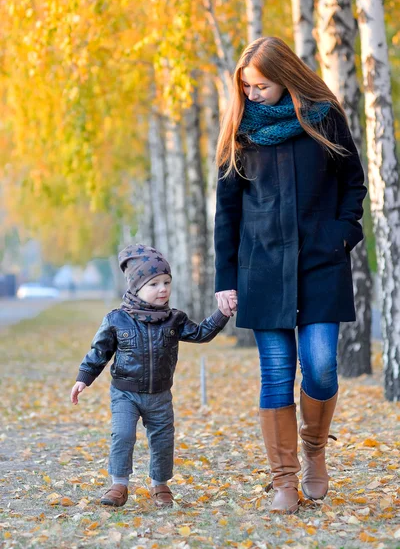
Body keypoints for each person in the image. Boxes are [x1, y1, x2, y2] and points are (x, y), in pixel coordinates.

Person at [214, 37, 367, 514]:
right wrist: (226, 278)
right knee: (276, 374)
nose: (252, 93)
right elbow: (227, 212)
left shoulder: (324, 117)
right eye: (246, 86)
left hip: (321, 264)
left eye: (261, 85)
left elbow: (353, 183)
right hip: (262, 268)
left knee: (320, 368)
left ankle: (314, 451)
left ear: (285, 77)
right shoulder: (239, 130)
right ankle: (284, 481)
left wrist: (341, 236)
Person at [70, 244, 230, 508]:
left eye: (166, 282)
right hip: (125, 393)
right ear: (135, 288)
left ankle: (160, 485)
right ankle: (119, 484)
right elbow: (99, 352)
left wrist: (222, 313)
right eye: (154, 284)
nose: (163, 289)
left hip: (160, 395)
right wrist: (83, 378)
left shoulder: (174, 319)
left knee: (163, 439)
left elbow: (202, 334)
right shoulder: (116, 319)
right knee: (122, 435)